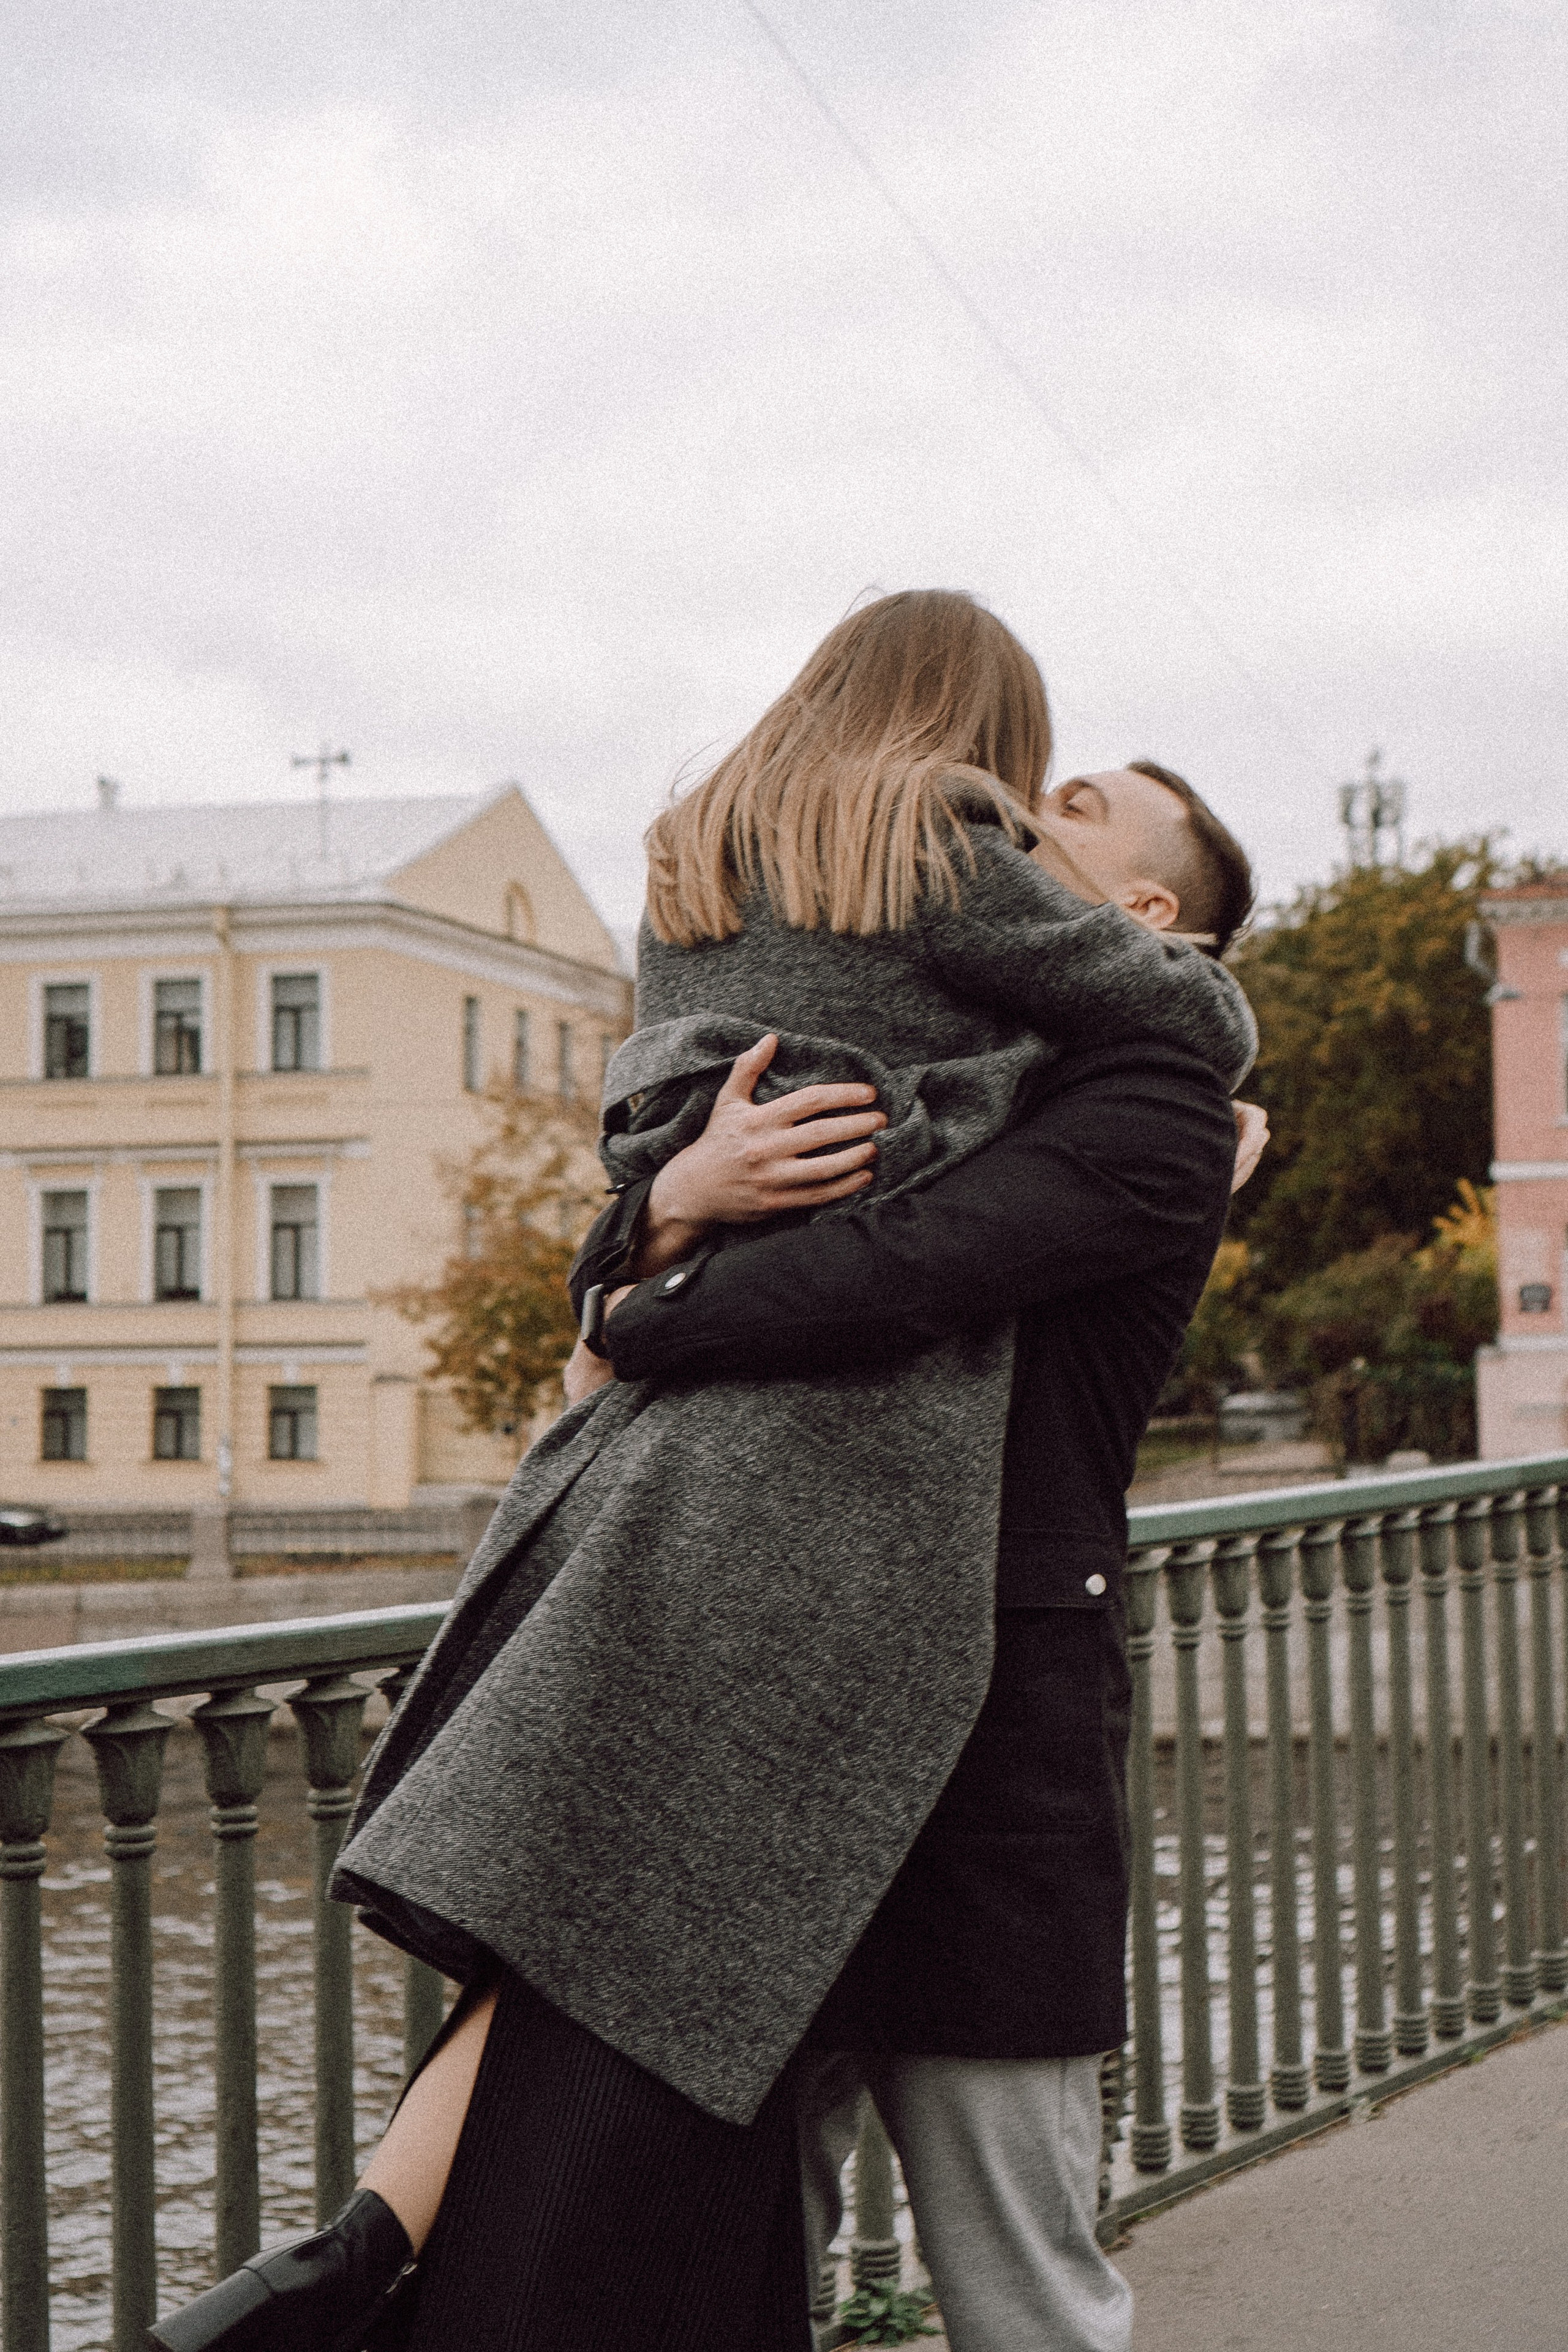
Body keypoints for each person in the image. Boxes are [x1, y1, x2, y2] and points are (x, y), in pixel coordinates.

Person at [149, 601, 1254, 2352]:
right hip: (780, 1686)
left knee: (1011, 2263)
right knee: (716, 2224)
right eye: (1036, 784)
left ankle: (354, 2259)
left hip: (970, 1739)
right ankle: (360, 2260)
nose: (1028, 810)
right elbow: (697, 1223)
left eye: (1078, 808)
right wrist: (663, 1216)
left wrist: (642, 1299)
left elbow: (885, 1272)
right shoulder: (956, 989)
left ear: (1143, 917)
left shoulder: (1153, 1110)